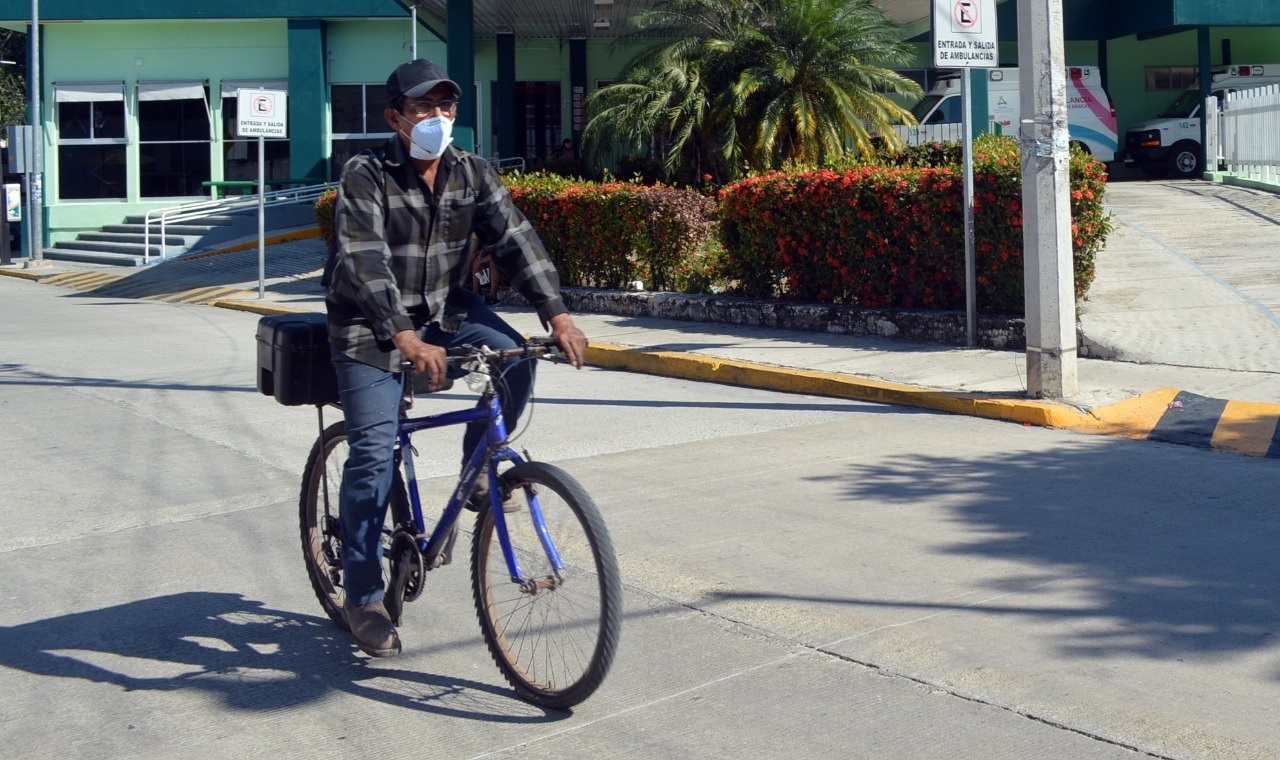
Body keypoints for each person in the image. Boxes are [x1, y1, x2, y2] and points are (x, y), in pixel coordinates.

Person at [324, 59, 588, 658]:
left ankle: (478, 473)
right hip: (369, 326)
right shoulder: (365, 174)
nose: (436, 117)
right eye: (422, 108)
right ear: (395, 118)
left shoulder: (472, 172)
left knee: (517, 357)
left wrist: (559, 315)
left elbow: (516, 239)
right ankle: (362, 596)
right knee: (371, 454)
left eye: (445, 106)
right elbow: (365, 263)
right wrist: (403, 338)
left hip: (444, 312)